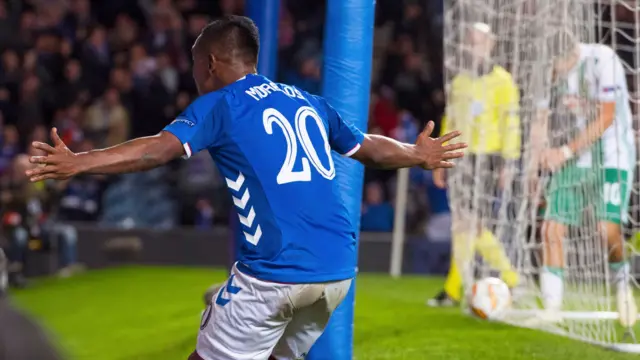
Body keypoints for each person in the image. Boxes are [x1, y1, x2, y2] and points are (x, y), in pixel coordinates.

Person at [25, 16, 466, 360]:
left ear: (211, 64)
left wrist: (79, 162)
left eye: (197, 66)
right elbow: (367, 147)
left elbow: (154, 152)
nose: (196, 76)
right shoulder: (306, 101)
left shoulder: (220, 103)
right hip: (336, 273)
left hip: (275, 274)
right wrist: (415, 153)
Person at [534, 30, 637, 324]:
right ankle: (551, 310)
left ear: (571, 55)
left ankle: (622, 287)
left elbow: (606, 118)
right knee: (551, 228)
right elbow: (540, 120)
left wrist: (564, 152)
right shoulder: (548, 71)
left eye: (557, 65)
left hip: (612, 153)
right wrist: (537, 161)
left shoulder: (603, 60)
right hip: (573, 156)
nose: (555, 72)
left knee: (607, 229)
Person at [428, 23, 521, 307]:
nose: (474, 46)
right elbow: (450, 121)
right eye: (471, 41)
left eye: (480, 41)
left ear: (491, 44)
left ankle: (507, 278)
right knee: (462, 225)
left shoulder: (503, 81)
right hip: (461, 158)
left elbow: (511, 123)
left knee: (472, 225)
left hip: (489, 157)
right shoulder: (459, 83)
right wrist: (440, 158)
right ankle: (456, 287)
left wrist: (508, 162)